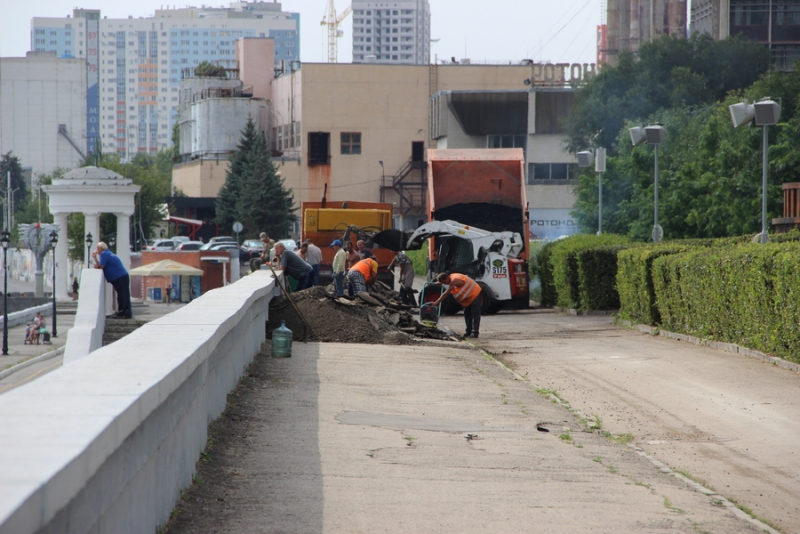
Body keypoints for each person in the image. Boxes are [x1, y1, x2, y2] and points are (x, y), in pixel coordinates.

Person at [433, 272, 482, 338]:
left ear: (447, 277)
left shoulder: (454, 280)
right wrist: (440, 282)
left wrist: (437, 302)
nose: (445, 284)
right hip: (468, 298)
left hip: (474, 294)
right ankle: (468, 331)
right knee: (467, 314)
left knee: (475, 314)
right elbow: (448, 282)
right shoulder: (451, 277)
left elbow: (446, 293)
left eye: (444, 282)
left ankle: (475, 332)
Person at [92, 242, 133, 318]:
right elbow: (101, 265)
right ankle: (124, 311)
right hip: (122, 276)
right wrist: (95, 258)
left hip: (119, 276)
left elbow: (101, 267)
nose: (96, 250)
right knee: (123, 294)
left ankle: (124, 312)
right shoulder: (107, 253)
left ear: (101, 248)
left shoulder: (104, 254)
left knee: (122, 295)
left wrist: (95, 261)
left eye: (97, 248)